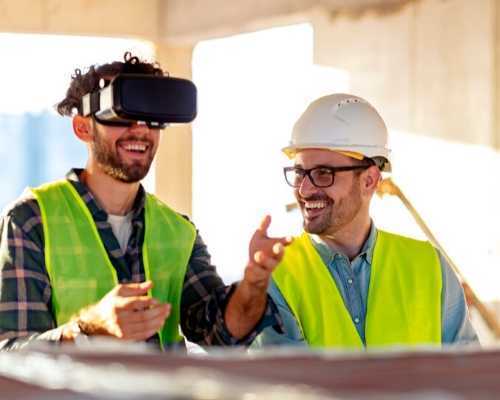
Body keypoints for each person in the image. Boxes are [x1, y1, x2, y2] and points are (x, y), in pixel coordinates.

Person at [0, 52, 290, 350]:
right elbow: (11, 353)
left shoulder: (178, 230)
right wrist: (89, 330)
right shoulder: (32, 220)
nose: (140, 128)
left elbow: (221, 334)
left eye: (152, 116)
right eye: (122, 114)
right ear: (83, 128)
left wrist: (253, 284)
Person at [254, 93, 478, 348]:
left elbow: (465, 377)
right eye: (299, 173)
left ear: (370, 180)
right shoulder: (275, 274)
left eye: (323, 173)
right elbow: (288, 385)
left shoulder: (430, 267)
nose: (304, 190)